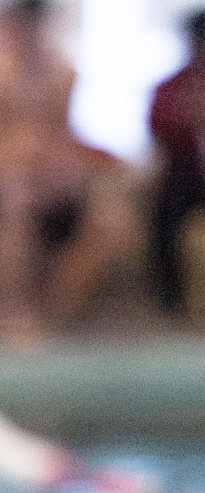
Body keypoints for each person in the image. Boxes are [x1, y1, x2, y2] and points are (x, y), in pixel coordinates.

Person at [0, 0, 133, 343]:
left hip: (57, 188)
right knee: (16, 198)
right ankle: (12, 312)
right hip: (10, 189)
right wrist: (20, 168)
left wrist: (64, 171)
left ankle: (55, 313)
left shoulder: (64, 75)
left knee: (114, 223)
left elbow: (66, 138)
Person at [149, 10, 205, 319]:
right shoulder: (172, 87)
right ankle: (170, 302)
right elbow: (158, 129)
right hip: (186, 178)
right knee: (164, 217)